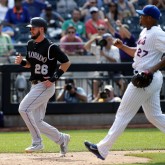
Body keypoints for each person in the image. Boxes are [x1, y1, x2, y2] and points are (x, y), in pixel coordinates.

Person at [84, 5, 165, 160]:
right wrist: (122, 47)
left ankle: (102, 149)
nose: (140, 17)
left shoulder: (158, 33)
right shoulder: (145, 31)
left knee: (123, 113)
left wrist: (151, 70)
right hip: (149, 78)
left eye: (142, 15)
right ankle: (102, 148)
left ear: (150, 18)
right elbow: (138, 52)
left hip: (147, 78)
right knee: (154, 116)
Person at [14, 17, 71, 155]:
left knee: (24, 108)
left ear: (41, 29)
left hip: (45, 85)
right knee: (38, 122)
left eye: (33, 28)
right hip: (35, 85)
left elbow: (66, 62)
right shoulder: (30, 44)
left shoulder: (51, 46)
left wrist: (53, 78)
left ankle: (37, 142)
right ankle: (62, 139)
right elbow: (30, 64)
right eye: (30, 28)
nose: (31, 30)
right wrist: (22, 62)